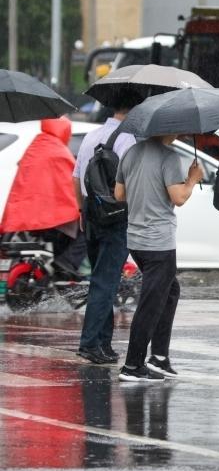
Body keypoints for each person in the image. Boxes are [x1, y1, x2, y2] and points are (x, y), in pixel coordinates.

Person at [114, 134, 202, 381]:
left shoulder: (130, 153)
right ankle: (132, 365)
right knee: (151, 302)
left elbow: (119, 194)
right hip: (158, 242)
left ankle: (159, 358)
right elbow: (179, 197)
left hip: (136, 239)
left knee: (170, 291)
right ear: (168, 129)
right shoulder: (169, 157)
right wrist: (192, 180)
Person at [72, 107, 137, 365]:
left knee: (102, 278)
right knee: (106, 280)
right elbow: (128, 183)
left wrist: (81, 210)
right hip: (115, 214)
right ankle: (89, 343)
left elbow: (76, 177)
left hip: (90, 211)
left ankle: (103, 342)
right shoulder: (129, 140)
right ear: (131, 111)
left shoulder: (91, 136)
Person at [0, 118, 82, 269]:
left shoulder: (35, 147)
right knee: (86, 225)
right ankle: (67, 264)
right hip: (53, 219)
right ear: (65, 131)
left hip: (32, 218)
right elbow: (72, 190)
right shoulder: (60, 151)